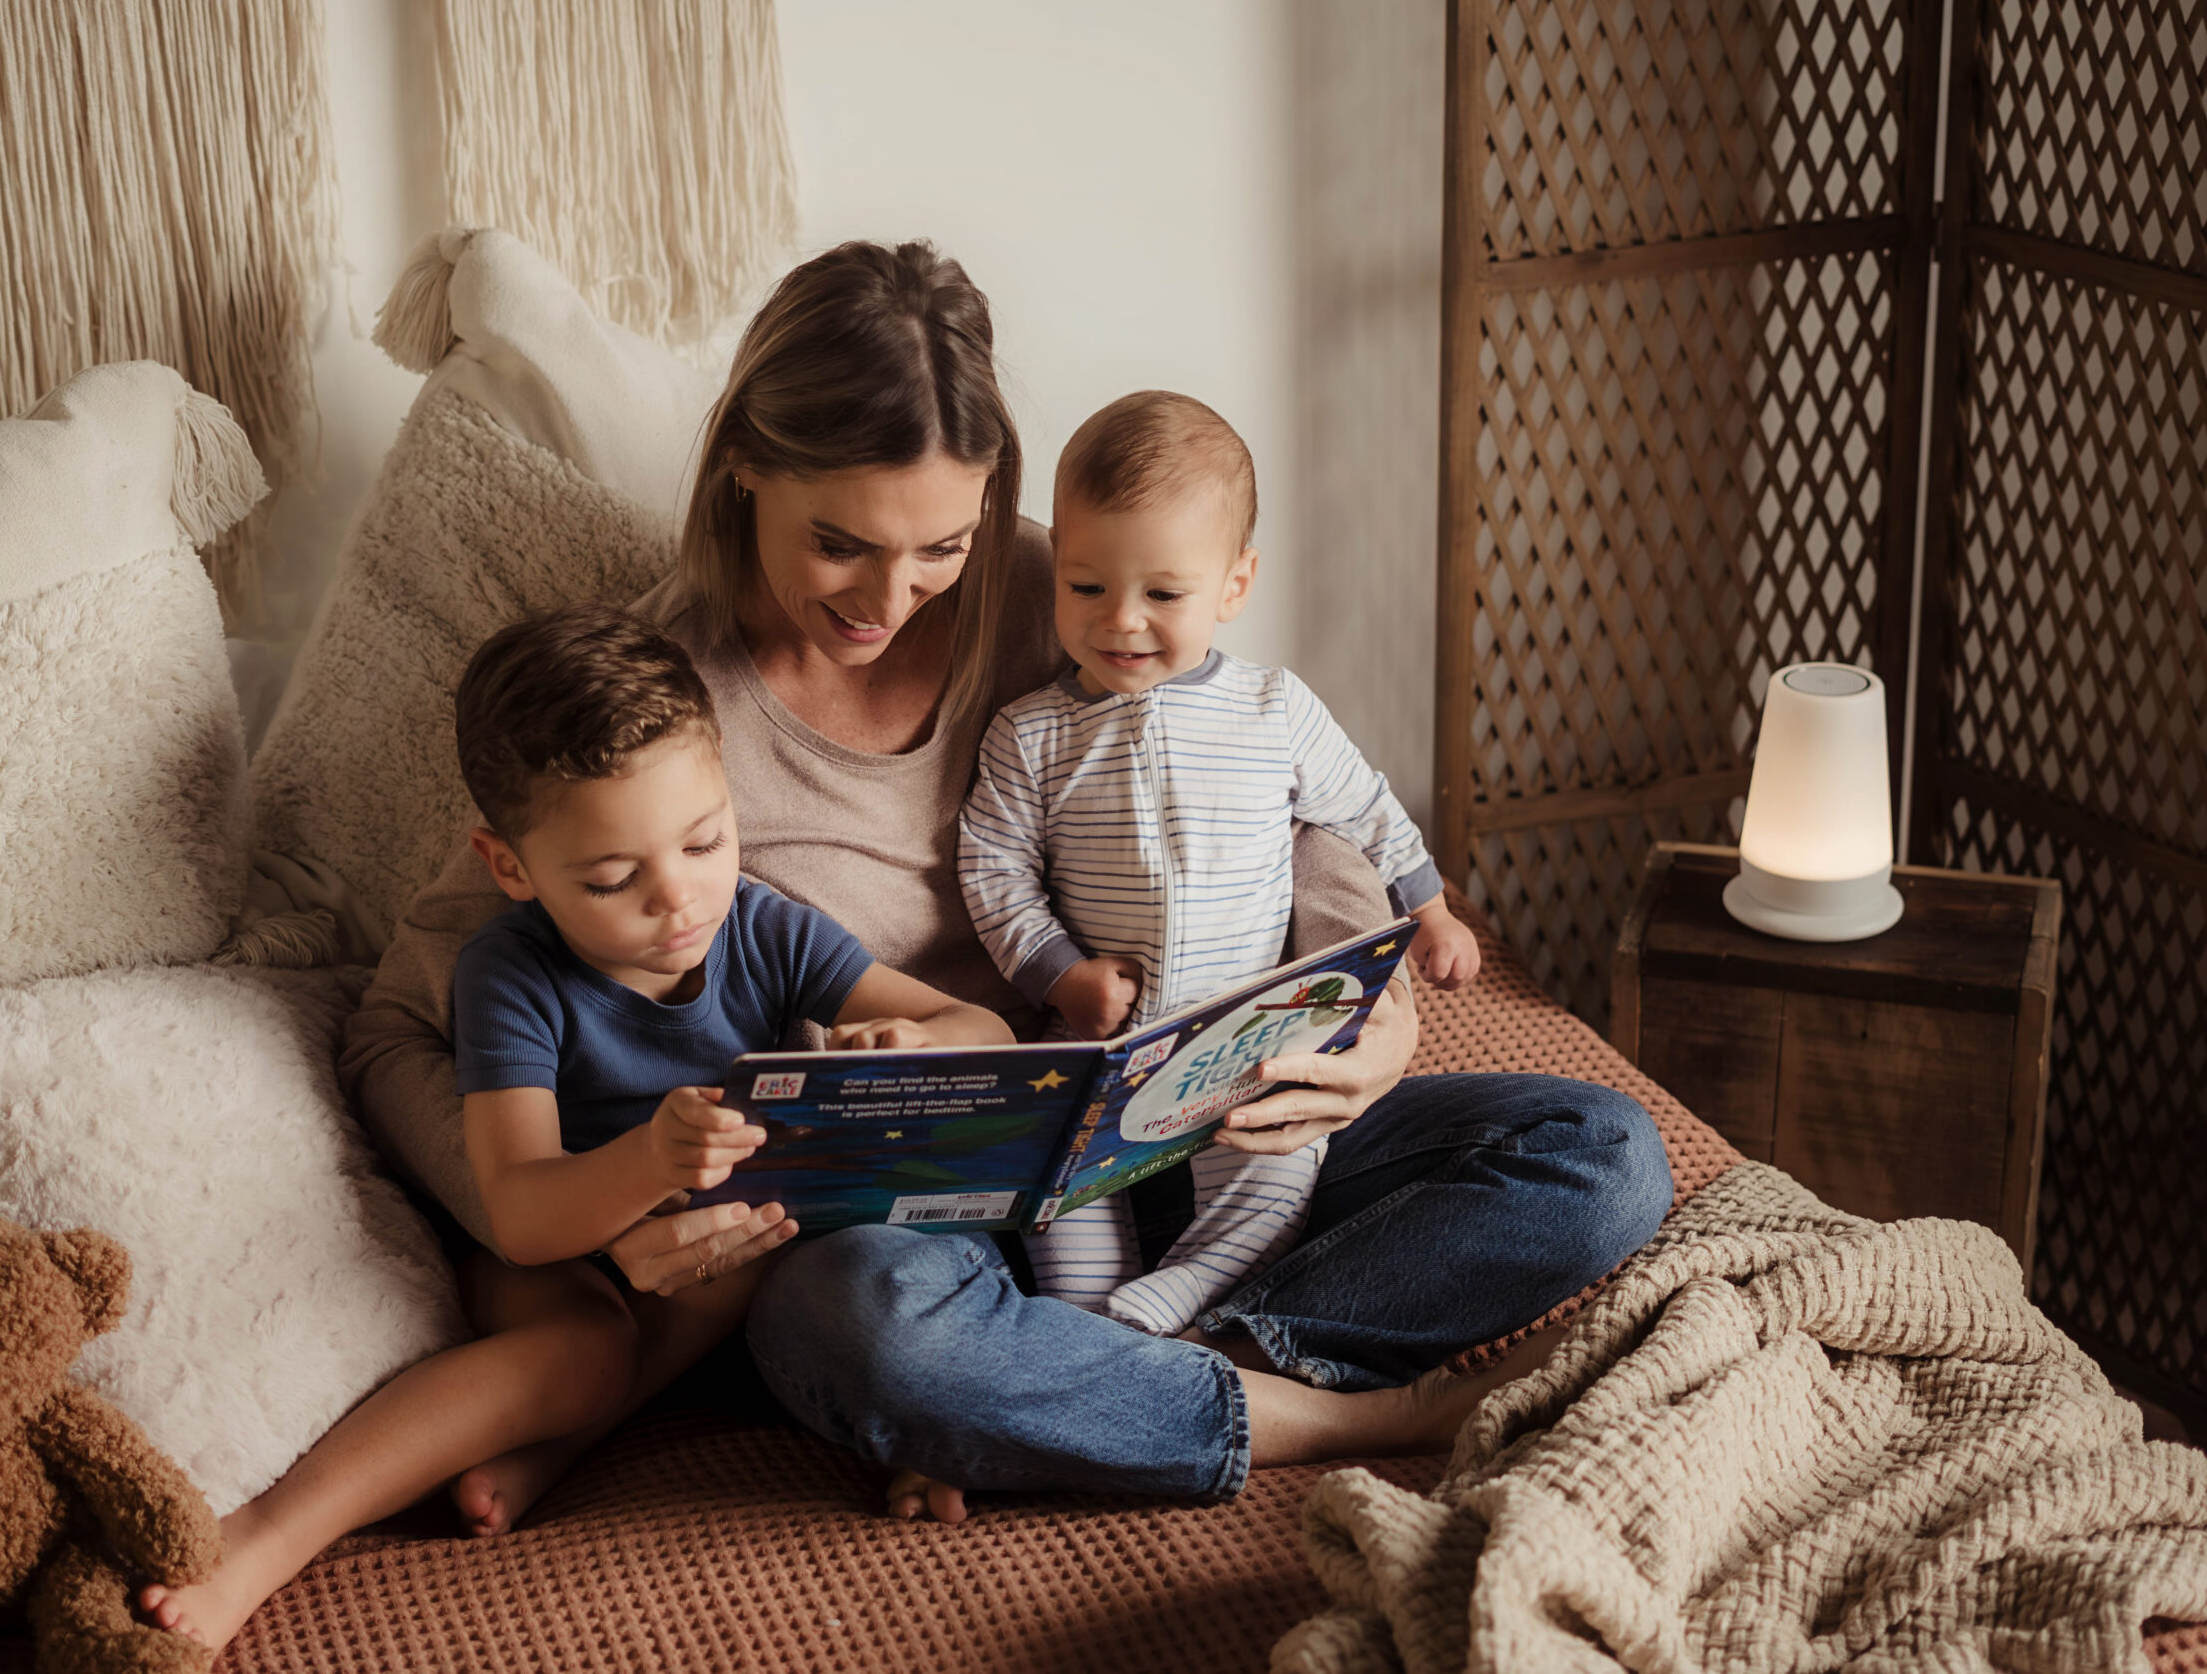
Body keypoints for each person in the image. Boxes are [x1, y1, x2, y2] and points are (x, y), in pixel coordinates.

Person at [338, 238, 1673, 1536]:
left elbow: (1262, 784)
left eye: (942, 546)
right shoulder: (660, 727)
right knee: (872, 1334)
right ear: (742, 464)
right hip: (927, 1227)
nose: (895, 596)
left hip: (1187, 1120)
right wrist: (587, 1229)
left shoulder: (1066, 584)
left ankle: (1153, 1359)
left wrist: (1370, 1019)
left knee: (1603, 1155)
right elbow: (391, 1023)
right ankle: (1305, 1407)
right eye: (842, 543)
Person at [139, 605, 1010, 1646]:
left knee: (784, 1236)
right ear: (510, 867)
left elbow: (982, 1028)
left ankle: (566, 1447)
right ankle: (270, 1535)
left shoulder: (764, 925)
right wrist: (650, 1159)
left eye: (704, 839)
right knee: (588, 1347)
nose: (679, 899)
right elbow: (521, 1214)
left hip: (714, 1262)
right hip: (557, 1257)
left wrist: (916, 1043)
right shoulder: (511, 974)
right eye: (611, 879)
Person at [958, 390, 1482, 1337]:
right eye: (1086, 587)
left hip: (1246, 1043)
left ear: (1234, 585)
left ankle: (1163, 1309)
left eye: (1163, 593)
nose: (1122, 620)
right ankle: (1087, 1326)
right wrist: (1059, 974)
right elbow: (993, 873)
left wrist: (1432, 910)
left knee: (1277, 1183)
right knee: (1050, 1200)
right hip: (1097, 1051)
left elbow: (1365, 810)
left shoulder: (1273, 709)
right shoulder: (1030, 734)